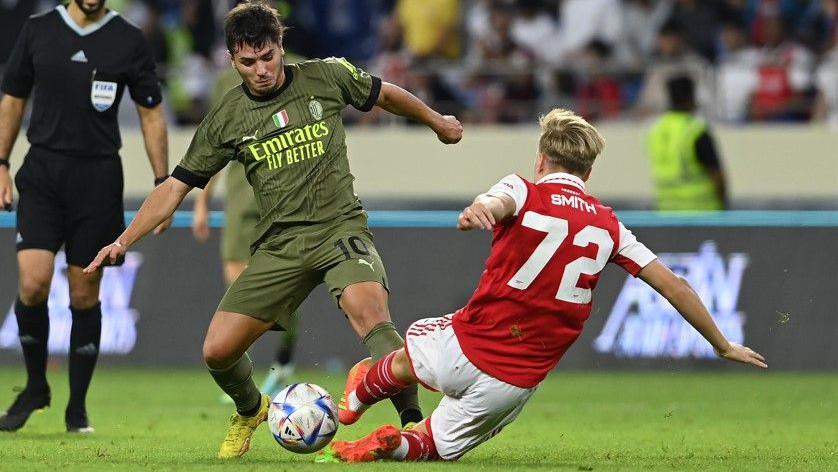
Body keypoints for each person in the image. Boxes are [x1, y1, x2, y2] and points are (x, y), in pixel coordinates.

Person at [84, 1, 462, 459]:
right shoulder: (227, 117)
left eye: (268, 56)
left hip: (339, 229)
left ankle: (413, 424)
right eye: (248, 62)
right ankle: (250, 408)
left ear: (281, 46)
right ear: (231, 59)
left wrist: (437, 122)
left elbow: (385, 94)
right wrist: (123, 240)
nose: (261, 70)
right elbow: (175, 186)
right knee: (217, 351)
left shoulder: (326, 76)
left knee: (371, 314)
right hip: (280, 245)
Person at [328, 108, 766, 463]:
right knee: (435, 446)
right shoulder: (611, 227)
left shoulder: (523, 189)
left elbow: (498, 202)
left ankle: (357, 398)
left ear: (540, 160)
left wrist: (481, 209)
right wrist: (722, 344)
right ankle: (398, 445)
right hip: (513, 382)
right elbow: (676, 287)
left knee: (412, 348)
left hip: (463, 348)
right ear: (588, 173)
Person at [0, 0, 170, 433]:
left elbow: (151, 113)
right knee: (33, 282)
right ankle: (36, 386)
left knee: (84, 292)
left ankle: (76, 407)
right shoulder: (39, 30)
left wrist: (162, 183)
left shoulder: (128, 39)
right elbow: (13, 99)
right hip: (43, 172)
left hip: (97, 180)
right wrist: (1, 162)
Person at [192, 68, 298, 401]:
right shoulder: (225, 82)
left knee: (284, 288)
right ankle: (240, 371)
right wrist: (202, 202)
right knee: (237, 287)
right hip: (240, 198)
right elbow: (215, 147)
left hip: (284, 198)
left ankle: (283, 363)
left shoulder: (300, 69)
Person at [647, 76, 728, 211]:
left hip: (666, 209)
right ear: (691, 97)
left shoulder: (655, 130)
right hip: (701, 210)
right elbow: (716, 174)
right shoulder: (695, 130)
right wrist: (724, 205)